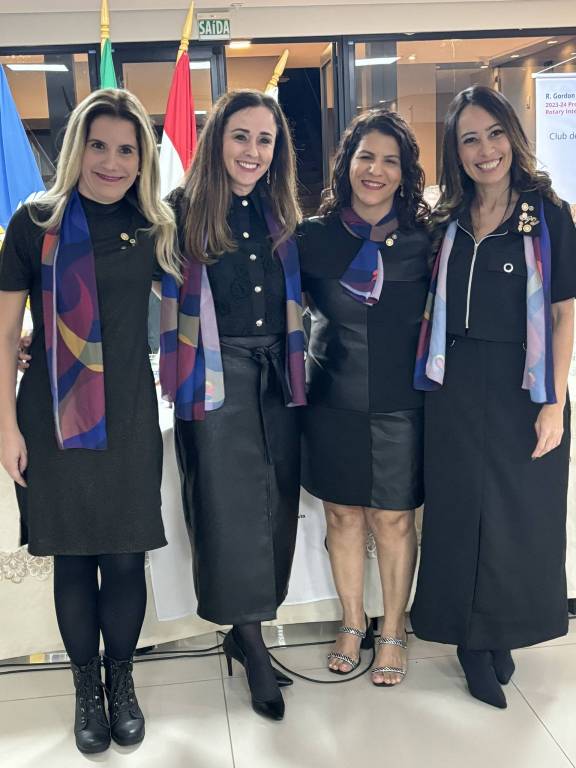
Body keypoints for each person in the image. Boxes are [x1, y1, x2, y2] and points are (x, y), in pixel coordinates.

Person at [0, 89, 179, 753]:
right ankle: (86, 689)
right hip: (50, 419)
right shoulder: (34, 224)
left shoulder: (156, 227)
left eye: (127, 150)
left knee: (126, 558)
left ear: (142, 160)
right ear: (77, 147)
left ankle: (121, 680)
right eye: (98, 146)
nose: (111, 161)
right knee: (72, 560)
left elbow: (192, 307)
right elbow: (4, 336)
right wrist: (5, 428)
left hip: (129, 415)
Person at [411, 85, 576, 708]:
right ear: (456, 151)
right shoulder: (446, 220)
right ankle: (469, 642)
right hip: (452, 385)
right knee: (458, 515)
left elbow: (563, 313)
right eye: (470, 139)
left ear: (514, 135)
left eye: (494, 134)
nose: (485, 150)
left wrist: (553, 402)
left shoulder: (547, 214)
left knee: (518, 517)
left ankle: (502, 630)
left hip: (524, 385)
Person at [156, 89, 306, 721]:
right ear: (216, 139)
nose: (252, 150)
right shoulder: (177, 212)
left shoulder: (282, 212)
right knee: (227, 513)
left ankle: (251, 632)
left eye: (265, 139)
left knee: (276, 506)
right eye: (240, 135)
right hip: (213, 381)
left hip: (279, 377)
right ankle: (247, 639)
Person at [298, 110, 431, 685]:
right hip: (332, 396)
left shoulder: (428, 240)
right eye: (365, 156)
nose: (375, 170)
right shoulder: (312, 237)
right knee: (342, 514)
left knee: (394, 520)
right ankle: (353, 622)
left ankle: (394, 629)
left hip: (403, 401)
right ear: (346, 164)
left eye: (390, 161)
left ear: (404, 173)